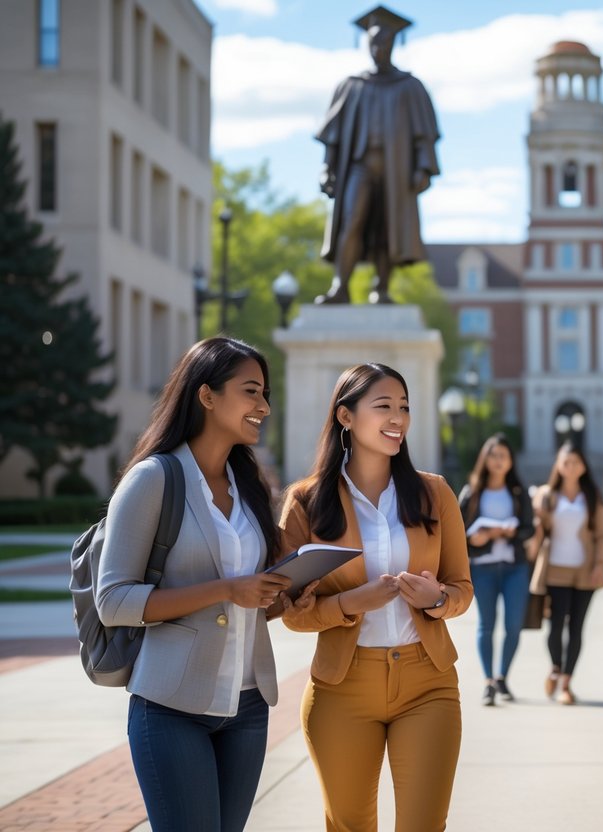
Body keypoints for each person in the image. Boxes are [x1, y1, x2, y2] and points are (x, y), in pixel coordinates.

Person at [95, 337, 293, 832]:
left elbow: (250, 592)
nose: (264, 407)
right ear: (206, 395)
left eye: (265, 394)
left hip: (248, 708)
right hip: (170, 709)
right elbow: (113, 601)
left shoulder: (250, 486)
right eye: (251, 392)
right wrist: (227, 589)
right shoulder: (153, 479)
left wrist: (279, 596)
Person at [278, 363, 472, 832]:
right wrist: (349, 604)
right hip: (342, 687)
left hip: (428, 682)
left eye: (404, 407)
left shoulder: (435, 493)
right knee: (348, 826)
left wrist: (436, 599)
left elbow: (462, 590)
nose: (398, 418)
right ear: (346, 416)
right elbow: (291, 614)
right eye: (383, 406)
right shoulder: (305, 501)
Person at [315, 6, 440, 304]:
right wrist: (326, 168)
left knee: (389, 227)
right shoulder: (352, 85)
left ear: (393, 45)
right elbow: (332, 136)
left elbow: (424, 135)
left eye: (384, 43)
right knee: (351, 221)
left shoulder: (409, 87)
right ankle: (340, 287)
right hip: (359, 167)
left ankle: (381, 289)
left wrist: (423, 167)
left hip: (396, 170)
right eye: (373, 43)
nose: (378, 49)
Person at [529, 441, 603, 705]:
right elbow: (535, 531)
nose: (571, 466)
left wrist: (600, 564)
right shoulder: (546, 495)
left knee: (576, 629)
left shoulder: (592, 497)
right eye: (566, 462)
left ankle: (566, 683)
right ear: (559, 465)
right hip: (554, 571)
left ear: (583, 466)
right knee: (554, 628)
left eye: (576, 462)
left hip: (585, 572)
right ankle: (555, 667)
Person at [458, 433, 536, 706]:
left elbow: (530, 528)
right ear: (485, 458)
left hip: (515, 567)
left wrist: (510, 532)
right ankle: (488, 681)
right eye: (493, 455)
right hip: (483, 568)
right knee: (486, 625)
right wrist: (475, 537)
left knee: (514, 626)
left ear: (510, 460)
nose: (498, 460)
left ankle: (503, 676)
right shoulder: (472, 492)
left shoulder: (517, 492)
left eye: (503, 455)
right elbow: (458, 532)